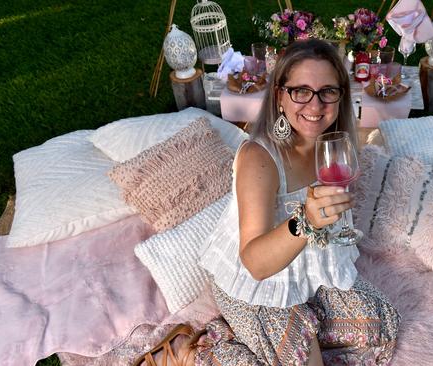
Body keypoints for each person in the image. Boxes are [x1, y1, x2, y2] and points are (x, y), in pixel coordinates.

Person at [136, 39, 400, 366]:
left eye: (327, 91)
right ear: (280, 95)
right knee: (305, 354)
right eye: (300, 90)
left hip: (307, 265)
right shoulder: (259, 158)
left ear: (340, 96)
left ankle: (293, 330)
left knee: (383, 325)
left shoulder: (334, 146)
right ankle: (206, 348)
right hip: (255, 285)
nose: (315, 105)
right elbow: (255, 263)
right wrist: (306, 222)